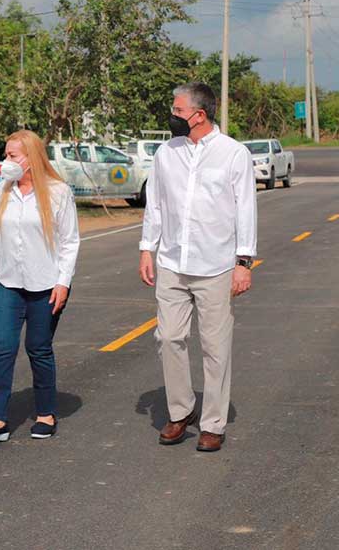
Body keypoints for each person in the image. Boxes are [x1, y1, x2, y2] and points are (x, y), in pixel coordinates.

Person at [138, 82, 257, 453]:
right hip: (172, 261)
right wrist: (147, 248)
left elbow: (245, 208)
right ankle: (181, 410)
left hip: (216, 264)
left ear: (199, 115)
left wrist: (243, 262)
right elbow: (155, 204)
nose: (172, 116)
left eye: (178, 110)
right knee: (168, 337)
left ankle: (213, 424)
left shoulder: (233, 154)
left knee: (215, 346)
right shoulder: (166, 153)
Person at [0, 130, 80, 445]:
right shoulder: (4, 189)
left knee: (39, 347)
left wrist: (63, 283)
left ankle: (46, 414)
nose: (6, 161)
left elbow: (70, 242)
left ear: (31, 158)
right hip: (8, 281)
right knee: (2, 348)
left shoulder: (58, 192)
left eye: (12, 156)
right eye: (6, 154)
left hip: (46, 283)